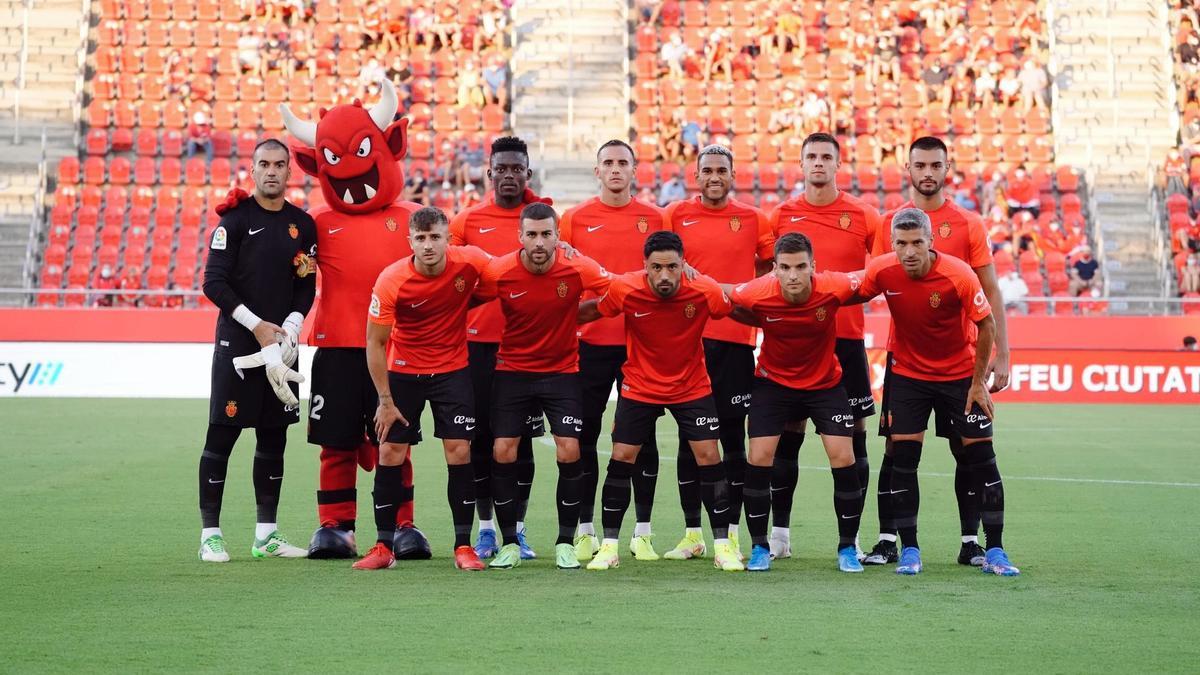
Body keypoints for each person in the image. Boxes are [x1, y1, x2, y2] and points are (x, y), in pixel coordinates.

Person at [869, 136, 1012, 568]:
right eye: (920, 165)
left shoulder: (968, 224)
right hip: (905, 359)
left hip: (960, 359)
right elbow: (875, 278)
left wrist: (1001, 355)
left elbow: (989, 293)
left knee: (968, 450)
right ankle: (890, 539)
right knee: (897, 450)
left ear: (947, 168)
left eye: (935, 165)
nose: (927, 172)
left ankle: (972, 542)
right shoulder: (887, 223)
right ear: (906, 170)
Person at [577, 231, 743, 572]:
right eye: (656, 267)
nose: (664, 275)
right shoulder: (625, 287)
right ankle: (609, 547)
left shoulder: (704, 289)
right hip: (639, 385)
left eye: (672, 267)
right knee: (623, 457)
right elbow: (597, 309)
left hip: (692, 386)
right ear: (645, 266)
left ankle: (723, 546)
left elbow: (733, 308)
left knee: (709, 456)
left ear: (683, 264)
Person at [472, 202, 612, 569]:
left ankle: (565, 542)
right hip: (512, 372)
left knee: (569, 449)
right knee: (503, 450)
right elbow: (462, 298)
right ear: (520, 236)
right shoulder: (499, 271)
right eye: (531, 234)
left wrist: (582, 314)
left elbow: (617, 291)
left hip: (563, 372)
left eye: (546, 234)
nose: (538, 242)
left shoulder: (577, 267)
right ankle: (509, 543)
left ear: (557, 237)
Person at [197, 139, 316, 562]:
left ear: (289, 172)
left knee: (274, 437)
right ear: (252, 169)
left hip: (282, 348)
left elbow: (305, 283)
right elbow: (213, 282)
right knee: (222, 437)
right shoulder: (234, 221)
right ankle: (210, 535)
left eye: (279, 164)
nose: (271, 171)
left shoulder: (303, 225)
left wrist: (290, 326)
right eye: (264, 163)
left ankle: (266, 535)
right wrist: (257, 325)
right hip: (239, 345)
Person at [765, 132, 882, 560]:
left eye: (826, 157)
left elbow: (882, 271)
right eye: (811, 156)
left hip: (846, 340)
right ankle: (779, 535)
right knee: (788, 437)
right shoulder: (779, 216)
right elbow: (764, 276)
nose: (818, 163)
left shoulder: (865, 216)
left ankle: (851, 538)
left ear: (838, 164)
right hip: (792, 341)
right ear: (800, 164)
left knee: (854, 438)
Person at [358, 207, 491, 571]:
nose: (428, 245)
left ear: (449, 238)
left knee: (459, 451)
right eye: (421, 238)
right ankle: (384, 548)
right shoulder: (391, 279)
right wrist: (385, 401)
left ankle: (464, 547)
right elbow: (374, 343)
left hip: (453, 371)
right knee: (390, 452)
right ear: (410, 242)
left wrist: (562, 251)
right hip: (404, 373)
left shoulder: (471, 262)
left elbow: (511, 270)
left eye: (435, 237)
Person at [660, 145, 774, 561]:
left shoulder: (753, 218)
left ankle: (732, 535)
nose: (713, 176)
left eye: (721, 170)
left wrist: (745, 295)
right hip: (687, 340)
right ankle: (693, 534)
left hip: (735, 343)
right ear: (695, 175)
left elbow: (771, 267)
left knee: (731, 439)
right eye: (706, 170)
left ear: (733, 175)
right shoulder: (675, 214)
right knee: (690, 440)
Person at [728, 233, 866, 573]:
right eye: (785, 267)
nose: (793, 275)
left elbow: (874, 280)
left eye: (801, 267)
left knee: (844, 456)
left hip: (825, 384)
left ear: (813, 267)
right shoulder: (757, 291)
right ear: (774, 269)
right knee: (758, 457)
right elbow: (724, 300)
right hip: (773, 385)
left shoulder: (833, 286)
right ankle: (760, 547)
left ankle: (847, 547)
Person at [559, 140, 667, 562]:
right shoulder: (574, 220)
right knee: (583, 434)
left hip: (641, 345)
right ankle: (586, 529)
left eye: (624, 162)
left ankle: (642, 531)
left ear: (635, 170)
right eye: (609, 163)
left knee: (642, 437)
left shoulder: (655, 217)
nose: (616, 169)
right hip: (589, 345)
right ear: (596, 170)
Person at [449, 136, 552, 561]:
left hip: (524, 350)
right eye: (502, 168)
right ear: (489, 173)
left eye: (517, 169)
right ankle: (487, 529)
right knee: (479, 442)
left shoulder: (541, 222)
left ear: (528, 173)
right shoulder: (467, 221)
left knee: (520, 443)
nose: (509, 175)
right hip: (475, 350)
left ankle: (519, 529)